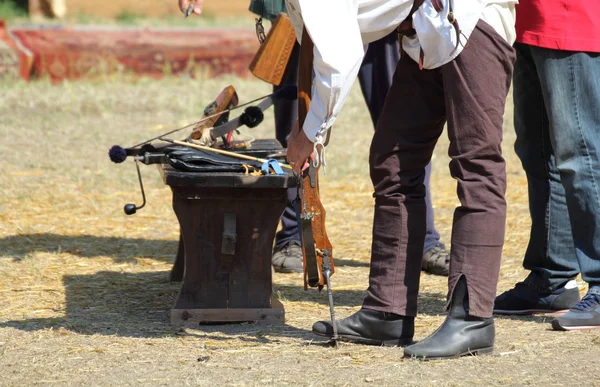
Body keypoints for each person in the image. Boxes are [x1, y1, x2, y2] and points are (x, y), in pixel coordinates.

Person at [284, 0, 516, 359]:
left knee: (477, 165)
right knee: (392, 160)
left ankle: (472, 319)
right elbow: (328, 45)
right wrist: (311, 124)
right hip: (427, 31)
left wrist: (311, 132)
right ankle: (388, 311)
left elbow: (339, 58)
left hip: (471, 18)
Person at [248, 0, 450, 277]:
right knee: (295, 134)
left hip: (383, 13)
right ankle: (295, 236)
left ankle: (421, 238)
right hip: (302, 11)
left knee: (404, 132)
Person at [493, 1, 600, 331]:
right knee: (537, 153)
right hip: (524, 21)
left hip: (569, 19)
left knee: (579, 153)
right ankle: (552, 278)